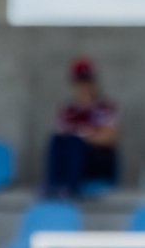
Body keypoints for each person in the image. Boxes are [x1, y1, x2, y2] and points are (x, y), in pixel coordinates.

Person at [44, 57, 119, 198]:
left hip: (96, 162)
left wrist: (83, 137)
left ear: (94, 82)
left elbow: (109, 138)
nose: (84, 86)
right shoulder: (67, 111)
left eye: (87, 80)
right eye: (79, 81)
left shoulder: (105, 108)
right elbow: (60, 138)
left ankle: (69, 188)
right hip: (71, 161)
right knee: (57, 140)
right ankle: (54, 184)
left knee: (76, 142)